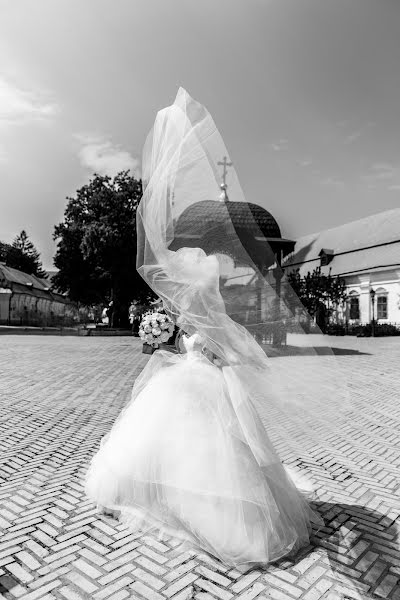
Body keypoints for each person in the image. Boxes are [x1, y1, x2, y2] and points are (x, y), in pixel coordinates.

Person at [85, 89, 348, 570]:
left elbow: (198, 314)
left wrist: (168, 330)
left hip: (193, 357)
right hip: (197, 356)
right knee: (213, 441)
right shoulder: (208, 267)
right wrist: (193, 335)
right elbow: (209, 317)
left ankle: (182, 498)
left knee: (185, 440)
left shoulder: (184, 266)